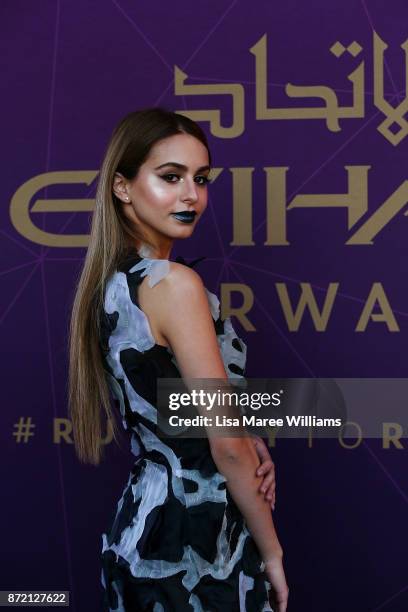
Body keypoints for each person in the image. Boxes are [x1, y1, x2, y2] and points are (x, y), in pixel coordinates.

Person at [68, 107, 289, 611]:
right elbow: (224, 446)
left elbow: (176, 410)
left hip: (138, 532)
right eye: (171, 177)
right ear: (122, 188)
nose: (192, 195)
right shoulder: (175, 285)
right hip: (197, 546)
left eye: (201, 178)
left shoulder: (112, 287)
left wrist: (250, 438)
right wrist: (271, 552)